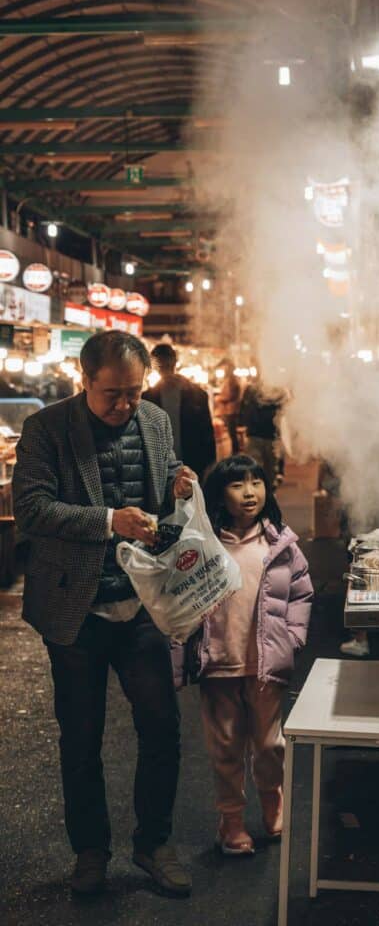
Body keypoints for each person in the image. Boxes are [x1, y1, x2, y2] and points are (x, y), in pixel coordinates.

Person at [12, 331, 197, 897]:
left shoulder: (156, 420)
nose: (123, 405)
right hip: (75, 610)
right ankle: (90, 853)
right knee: (80, 737)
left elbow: (164, 484)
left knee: (162, 729)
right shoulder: (46, 429)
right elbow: (32, 508)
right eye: (111, 394)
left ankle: (154, 843)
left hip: (143, 603)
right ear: (83, 380)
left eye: (133, 393)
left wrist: (178, 484)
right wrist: (108, 519)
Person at [198, 455, 313, 855]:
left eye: (256, 482)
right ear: (218, 493)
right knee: (226, 747)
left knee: (269, 744)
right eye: (237, 485)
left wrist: (293, 637)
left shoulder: (280, 543)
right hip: (217, 662)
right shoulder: (203, 543)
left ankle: (272, 800)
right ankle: (231, 820)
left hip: (266, 665)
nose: (249, 493)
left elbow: (301, 592)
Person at [143, 343, 216, 481]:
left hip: (190, 462)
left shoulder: (197, 394)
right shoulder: (148, 398)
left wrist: (210, 464)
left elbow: (207, 434)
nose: (164, 367)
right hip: (162, 465)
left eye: (165, 362)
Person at [238, 378, 286, 489]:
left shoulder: (277, 389)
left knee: (269, 467)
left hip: (269, 434)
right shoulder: (252, 388)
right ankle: (261, 490)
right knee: (256, 466)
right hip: (258, 433)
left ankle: (268, 492)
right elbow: (245, 406)